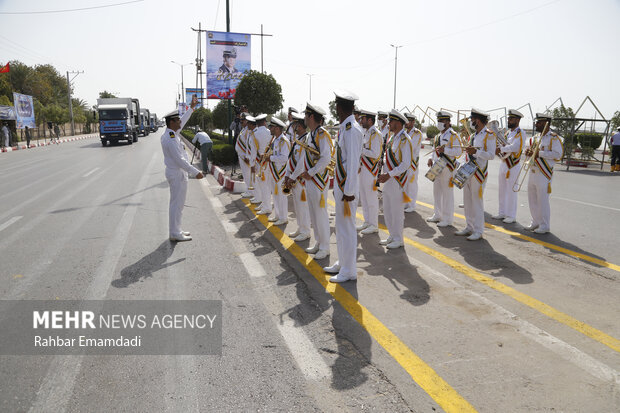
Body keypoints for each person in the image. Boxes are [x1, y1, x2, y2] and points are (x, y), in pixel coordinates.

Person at [324, 90, 364, 283]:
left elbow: (354, 162)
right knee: (340, 228)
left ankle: (349, 271)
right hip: (342, 186)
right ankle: (343, 262)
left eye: (336, 105)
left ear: (339, 108)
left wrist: (348, 191)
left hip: (347, 189)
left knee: (347, 229)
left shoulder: (353, 130)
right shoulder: (345, 128)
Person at [291, 102, 333, 260]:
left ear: (312, 117)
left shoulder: (322, 134)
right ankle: (318, 242)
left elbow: (326, 158)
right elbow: (304, 157)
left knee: (320, 214)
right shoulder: (310, 135)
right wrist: (301, 174)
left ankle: (325, 247)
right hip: (309, 179)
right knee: (313, 214)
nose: (304, 119)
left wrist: (311, 172)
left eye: (306, 116)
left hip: (318, 180)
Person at [161, 95, 204, 242]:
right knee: (176, 204)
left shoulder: (172, 133)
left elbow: (184, 121)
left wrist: (191, 108)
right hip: (176, 173)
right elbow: (179, 160)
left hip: (178, 174)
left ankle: (177, 230)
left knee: (179, 204)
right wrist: (195, 172)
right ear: (172, 122)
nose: (180, 122)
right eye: (177, 120)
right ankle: (174, 232)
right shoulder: (170, 138)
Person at [455, 108, 496, 241]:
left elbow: (491, 155)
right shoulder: (472, 136)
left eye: (472, 119)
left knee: (477, 202)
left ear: (478, 120)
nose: (471, 122)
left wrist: (476, 152)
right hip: (468, 171)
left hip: (479, 173)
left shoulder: (489, 135)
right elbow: (468, 153)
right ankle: (469, 226)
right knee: (467, 201)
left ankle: (478, 230)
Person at [376, 110, 413, 249]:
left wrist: (389, 174)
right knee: (387, 208)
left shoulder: (405, 139)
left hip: (397, 180)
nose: (388, 123)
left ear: (397, 123)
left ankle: (399, 239)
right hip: (388, 178)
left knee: (397, 210)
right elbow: (390, 157)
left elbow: (405, 163)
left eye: (390, 121)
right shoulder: (392, 138)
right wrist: (383, 162)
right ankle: (392, 235)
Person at [524, 113, 563, 234]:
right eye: (537, 122)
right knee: (532, 198)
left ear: (546, 124)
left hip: (544, 172)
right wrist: (528, 152)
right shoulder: (535, 137)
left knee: (542, 200)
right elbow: (530, 151)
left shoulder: (554, 138)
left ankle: (545, 225)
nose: (536, 124)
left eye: (539, 122)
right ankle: (535, 221)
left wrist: (539, 154)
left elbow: (558, 155)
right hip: (533, 170)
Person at [426, 111, 462, 227]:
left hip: (448, 167)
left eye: (441, 121)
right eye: (438, 121)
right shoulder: (438, 136)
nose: (439, 123)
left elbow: (459, 151)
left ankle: (447, 219)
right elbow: (434, 150)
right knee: (436, 192)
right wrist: (431, 159)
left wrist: (445, 151)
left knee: (447, 194)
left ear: (447, 122)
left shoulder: (453, 135)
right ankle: (437, 214)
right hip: (437, 167)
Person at [493, 109, 525, 223]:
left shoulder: (520, 133)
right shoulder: (507, 133)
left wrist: (501, 148)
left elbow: (515, 147)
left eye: (511, 119)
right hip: (504, 163)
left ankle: (511, 215)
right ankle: (502, 212)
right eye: (508, 118)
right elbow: (503, 145)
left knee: (512, 191)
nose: (509, 120)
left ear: (517, 120)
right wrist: (498, 150)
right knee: (502, 190)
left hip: (513, 165)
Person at [283, 112, 311, 241]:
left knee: (303, 206)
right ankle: (300, 228)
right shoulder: (298, 140)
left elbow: (302, 162)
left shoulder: (306, 139)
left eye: (294, 124)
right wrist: (287, 174)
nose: (292, 127)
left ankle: (305, 231)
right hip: (294, 177)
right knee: (297, 205)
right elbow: (291, 159)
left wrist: (293, 176)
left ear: (299, 126)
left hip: (300, 178)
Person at [356, 109, 382, 235]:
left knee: (371, 198)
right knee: (364, 198)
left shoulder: (376, 134)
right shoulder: (365, 133)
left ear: (370, 120)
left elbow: (376, 154)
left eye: (363, 119)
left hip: (371, 171)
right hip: (363, 169)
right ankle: (367, 221)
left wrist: (361, 150)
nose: (361, 121)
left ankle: (374, 224)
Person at [266, 117, 291, 225]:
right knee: (275, 195)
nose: (270, 129)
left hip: (281, 172)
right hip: (274, 171)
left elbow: (284, 158)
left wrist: (270, 158)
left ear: (276, 128)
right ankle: (277, 215)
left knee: (281, 196)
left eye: (271, 127)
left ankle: (283, 217)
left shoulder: (284, 141)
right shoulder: (275, 140)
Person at [252, 114, 273, 215]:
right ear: (264, 122)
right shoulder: (270, 132)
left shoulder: (254, 133)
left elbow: (253, 151)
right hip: (268, 161)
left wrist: (252, 164)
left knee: (263, 185)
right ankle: (265, 204)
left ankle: (267, 207)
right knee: (266, 185)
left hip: (259, 162)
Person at [404, 113, 423, 213]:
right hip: (405, 162)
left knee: (412, 185)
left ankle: (412, 204)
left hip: (412, 163)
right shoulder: (404, 132)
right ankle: (406, 203)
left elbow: (412, 146)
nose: (406, 123)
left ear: (413, 122)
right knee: (405, 184)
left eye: (408, 121)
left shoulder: (417, 133)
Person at [235, 113, 253, 198]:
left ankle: (250, 191)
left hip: (245, 156)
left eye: (243, 120)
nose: (241, 122)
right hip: (241, 155)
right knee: (246, 174)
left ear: (247, 121)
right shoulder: (244, 129)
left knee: (247, 174)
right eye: (241, 120)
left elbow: (249, 145)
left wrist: (247, 156)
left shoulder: (248, 131)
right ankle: (248, 190)